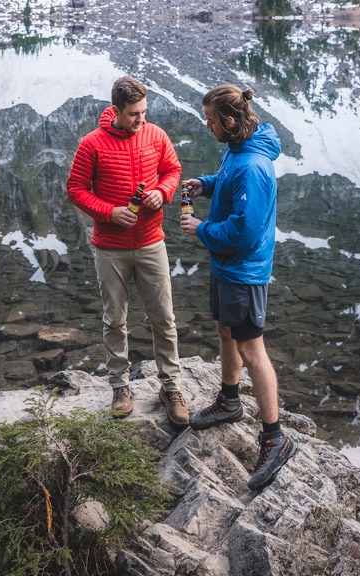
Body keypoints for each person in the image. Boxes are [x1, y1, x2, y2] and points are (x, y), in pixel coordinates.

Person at [180, 83, 297, 491]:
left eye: (210, 120)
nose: (206, 125)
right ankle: (230, 400)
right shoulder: (238, 150)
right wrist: (206, 184)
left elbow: (244, 232)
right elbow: (229, 181)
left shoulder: (254, 167)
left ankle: (275, 436)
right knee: (226, 331)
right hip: (227, 268)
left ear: (229, 121)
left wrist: (202, 228)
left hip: (244, 271)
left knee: (252, 348)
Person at [67, 75, 189, 428]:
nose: (142, 119)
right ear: (117, 110)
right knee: (114, 320)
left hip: (151, 241)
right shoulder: (92, 144)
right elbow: (76, 189)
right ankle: (121, 388)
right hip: (110, 248)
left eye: (144, 112)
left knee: (164, 319)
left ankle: (171, 387)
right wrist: (108, 212)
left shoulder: (156, 135)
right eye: (135, 114)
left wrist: (163, 192)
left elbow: (173, 170)